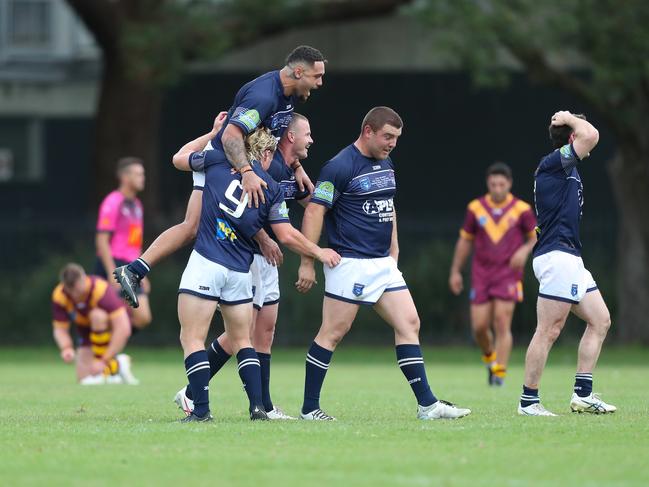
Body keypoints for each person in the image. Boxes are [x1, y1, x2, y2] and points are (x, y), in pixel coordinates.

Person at [295, 107, 471, 421]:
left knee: (409, 324)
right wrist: (307, 260)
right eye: (387, 136)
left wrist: (395, 246)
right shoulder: (339, 166)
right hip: (349, 262)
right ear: (368, 131)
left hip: (383, 263)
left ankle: (427, 405)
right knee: (333, 333)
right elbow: (314, 211)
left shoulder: (385, 162)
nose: (392, 144)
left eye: (396, 138)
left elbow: (387, 204)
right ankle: (310, 408)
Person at [114, 43, 324, 299]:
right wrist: (246, 171)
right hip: (225, 162)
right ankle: (156, 275)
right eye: (317, 76)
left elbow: (273, 135)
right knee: (196, 226)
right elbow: (231, 136)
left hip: (236, 164)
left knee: (201, 225)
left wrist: (296, 165)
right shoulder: (264, 96)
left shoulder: (287, 95)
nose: (320, 83)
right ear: (299, 72)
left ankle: (137, 270)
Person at [175, 127, 340, 422]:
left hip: (208, 260)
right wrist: (318, 252)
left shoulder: (215, 161)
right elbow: (285, 233)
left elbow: (179, 158)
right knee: (243, 340)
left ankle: (201, 410)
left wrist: (212, 132)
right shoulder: (272, 187)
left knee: (192, 338)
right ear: (265, 153)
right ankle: (257, 408)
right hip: (240, 269)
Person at [518, 111, 616, 416]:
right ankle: (528, 401)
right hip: (557, 256)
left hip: (571, 257)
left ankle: (582, 395)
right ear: (572, 137)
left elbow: (587, 136)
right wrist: (568, 117)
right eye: (578, 129)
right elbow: (592, 135)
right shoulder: (554, 164)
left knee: (600, 320)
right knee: (548, 329)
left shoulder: (568, 167)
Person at [449, 162, 537, 386]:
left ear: (509, 184)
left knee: (501, 321)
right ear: (488, 184)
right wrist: (456, 271)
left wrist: (524, 251)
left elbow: (534, 236)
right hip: (481, 274)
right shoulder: (476, 208)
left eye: (501, 184)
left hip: (508, 273)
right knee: (479, 327)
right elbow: (465, 241)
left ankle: (499, 374)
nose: (497, 188)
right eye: (493, 184)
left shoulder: (522, 209)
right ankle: (490, 360)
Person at [51, 263, 138, 385]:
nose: (75, 295)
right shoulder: (60, 295)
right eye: (70, 291)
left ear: (83, 279)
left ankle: (109, 369)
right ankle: (118, 364)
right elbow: (60, 329)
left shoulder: (100, 289)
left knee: (97, 316)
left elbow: (123, 328)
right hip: (87, 331)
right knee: (84, 380)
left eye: (77, 289)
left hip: (110, 328)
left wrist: (103, 360)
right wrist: (66, 348)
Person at [95, 157, 152, 329]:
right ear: (125, 177)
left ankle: (111, 346)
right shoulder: (113, 202)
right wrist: (112, 272)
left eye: (143, 174)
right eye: (138, 174)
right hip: (115, 264)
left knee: (142, 318)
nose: (143, 178)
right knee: (103, 316)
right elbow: (102, 240)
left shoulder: (137, 205)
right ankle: (102, 349)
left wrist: (144, 273)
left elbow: (135, 242)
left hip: (131, 266)